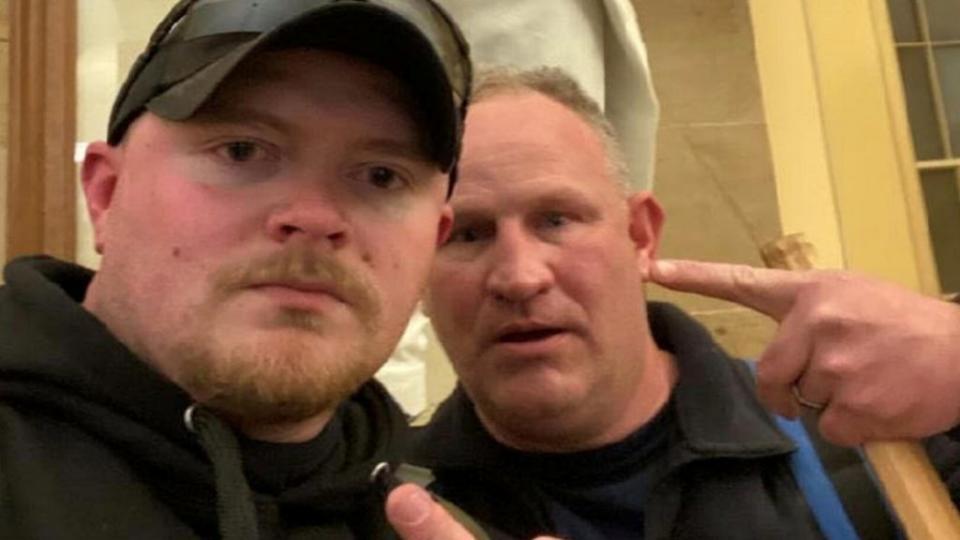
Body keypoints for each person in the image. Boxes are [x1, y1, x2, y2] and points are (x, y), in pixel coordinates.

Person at [409, 66, 960, 539]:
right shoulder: (381, 508)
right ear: (414, 271)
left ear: (640, 236)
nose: (520, 277)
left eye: (556, 220)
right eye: (467, 235)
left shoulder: (871, 442)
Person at [0, 0, 480, 537]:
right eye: (242, 150)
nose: (316, 219)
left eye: (382, 176)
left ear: (433, 244)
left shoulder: (454, 514)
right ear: (106, 194)